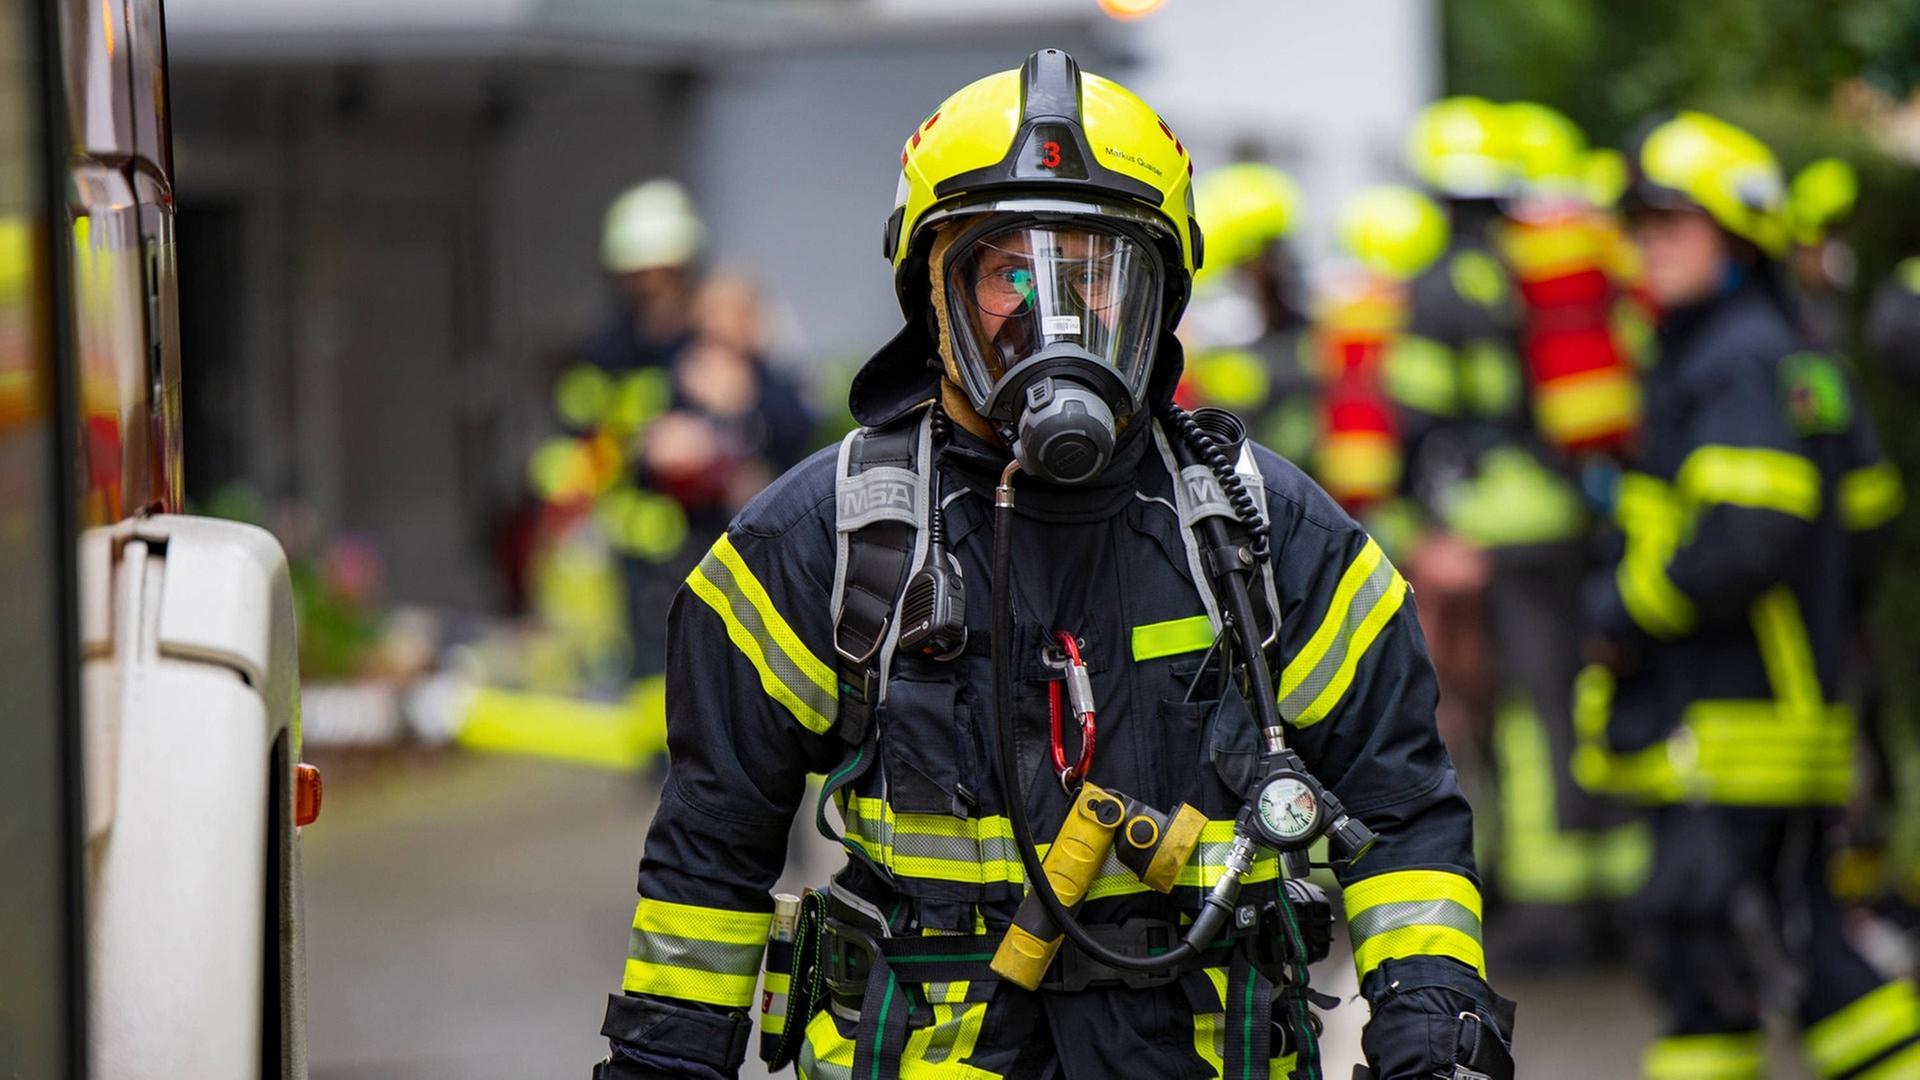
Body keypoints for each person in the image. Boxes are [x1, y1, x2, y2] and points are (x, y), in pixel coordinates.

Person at [594, 50, 1513, 1080]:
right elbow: (710, 856)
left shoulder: (1260, 530)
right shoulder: (822, 543)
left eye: (1092, 273)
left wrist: (1435, 1038)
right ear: (933, 296)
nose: (1055, 319)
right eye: (1009, 273)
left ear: (1158, 296)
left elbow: (1400, 808)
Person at [1577, 110, 1919, 1079]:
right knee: (1767, 951)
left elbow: (1744, 540)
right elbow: (1867, 522)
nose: (1650, 247)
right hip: (1769, 717)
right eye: (1642, 227)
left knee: (1723, 944)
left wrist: (1624, 612)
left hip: (1729, 724)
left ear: (1740, 236)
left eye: (1674, 226)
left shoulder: (1732, 357)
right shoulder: (1787, 352)